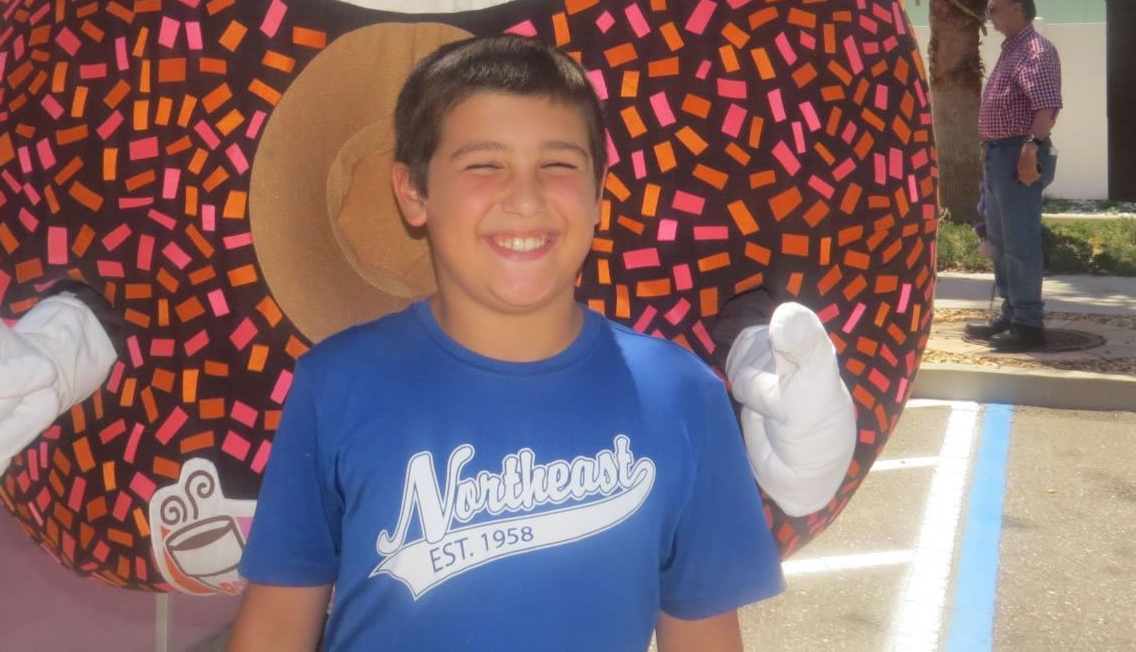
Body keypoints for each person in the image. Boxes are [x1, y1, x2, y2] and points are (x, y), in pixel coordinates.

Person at [228, 35, 783, 652]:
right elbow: (276, 626)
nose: (525, 198)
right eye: (484, 165)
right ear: (413, 191)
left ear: (599, 191)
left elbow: (705, 637)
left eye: (558, 165)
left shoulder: (683, 396)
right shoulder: (335, 385)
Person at [965, 0, 1063, 352]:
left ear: (1018, 9)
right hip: (998, 154)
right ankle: (1011, 314)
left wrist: (1030, 148)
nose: (988, 15)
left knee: (1020, 241)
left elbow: (1047, 107)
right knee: (1001, 240)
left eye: (994, 8)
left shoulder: (1036, 51)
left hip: (1017, 153)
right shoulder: (1013, 49)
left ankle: (1028, 324)